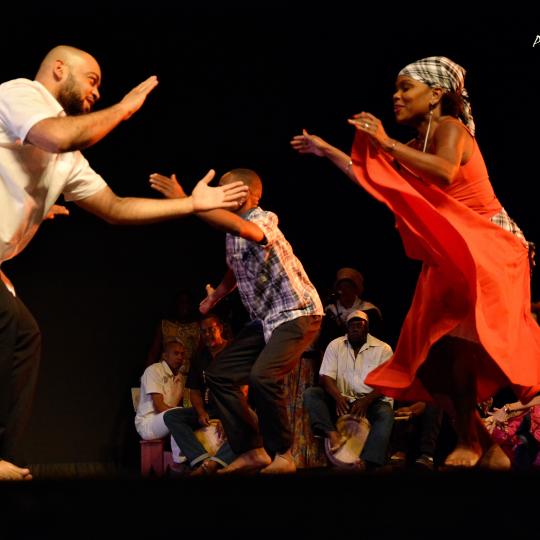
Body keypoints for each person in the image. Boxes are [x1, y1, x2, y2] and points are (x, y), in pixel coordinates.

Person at [0, 45, 249, 480]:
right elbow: (56, 134)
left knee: (21, 336)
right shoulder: (20, 94)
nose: (98, 91)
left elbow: (115, 207)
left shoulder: (67, 161)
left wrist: (191, 204)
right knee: (18, 335)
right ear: (59, 69)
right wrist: (123, 108)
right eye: (92, 79)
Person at [292, 56, 540, 468]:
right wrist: (327, 151)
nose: (397, 95)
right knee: (428, 359)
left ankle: (481, 441)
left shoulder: (450, 129)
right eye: (396, 88)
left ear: (436, 95)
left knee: (479, 347)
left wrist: (386, 144)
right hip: (450, 254)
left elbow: (443, 173)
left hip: (487, 247)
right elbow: (371, 178)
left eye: (406, 87)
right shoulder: (412, 147)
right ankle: (480, 443)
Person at [149, 168, 323, 473]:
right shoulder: (232, 234)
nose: (219, 194)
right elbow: (235, 271)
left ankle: (283, 454)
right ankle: (252, 450)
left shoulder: (262, 219)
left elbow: (248, 232)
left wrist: (191, 202)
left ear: (247, 194)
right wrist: (215, 296)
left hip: (298, 312)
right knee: (218, 374)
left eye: (225, 189)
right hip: (266, 321)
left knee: (262, 376)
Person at [303, 310, 394, 471]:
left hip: (370, 401)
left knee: (385, 413)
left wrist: (366, 401)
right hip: (342, 400)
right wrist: (338, 397)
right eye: (351, 325)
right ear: (346, 328)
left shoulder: (383, 349)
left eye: (359, 325)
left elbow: (387, 383)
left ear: (367, 328)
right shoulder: (335, 345)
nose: (355, 328)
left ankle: (368, 461)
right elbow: (325, 377)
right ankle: (332, 435)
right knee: (312, 394)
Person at [164, 313, 236, 475]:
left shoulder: (233, 350)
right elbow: (195, 391)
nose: (208, 335)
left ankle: (215, 463)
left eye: (211, 330)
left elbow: (243, 387)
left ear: (221, 328)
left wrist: (228, 416)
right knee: (171, 417)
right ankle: (202, 461)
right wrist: (201, 412)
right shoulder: (200, 357)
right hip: (209, 408)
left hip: (232, 408)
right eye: (204, 332)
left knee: (246, 426)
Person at [135, 338, 186, 462]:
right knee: (178, 414)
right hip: (148, 424)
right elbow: (159, 406)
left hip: (166, 423)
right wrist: (182, 414)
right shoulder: (153, 370)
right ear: (164, 355)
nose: (180, 357)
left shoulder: (180, 378)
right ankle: (178, 463)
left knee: (185, 416)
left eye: (182, 354)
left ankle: (194, 460)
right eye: (176, 353)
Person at [318, 266, 383, 352]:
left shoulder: (369, 311)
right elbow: (324, 340)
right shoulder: (330, 311)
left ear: (355, 289)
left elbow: (376, 339)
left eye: (348, 287)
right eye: (341, 287)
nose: (344, 291)